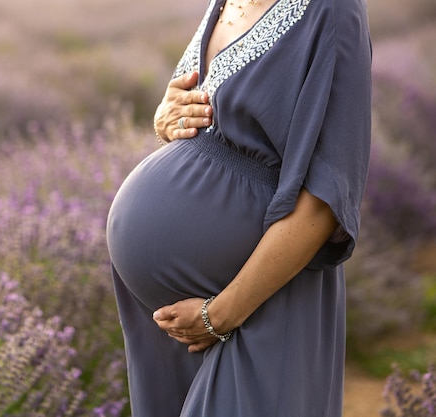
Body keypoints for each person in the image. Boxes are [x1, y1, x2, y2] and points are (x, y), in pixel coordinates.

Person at [106, 0, 372, 414]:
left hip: (256, 303)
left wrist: (222, 314)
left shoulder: (332, 10)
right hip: (172, 323)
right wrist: (167, 121)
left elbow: (327, 195)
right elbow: (210, 119)